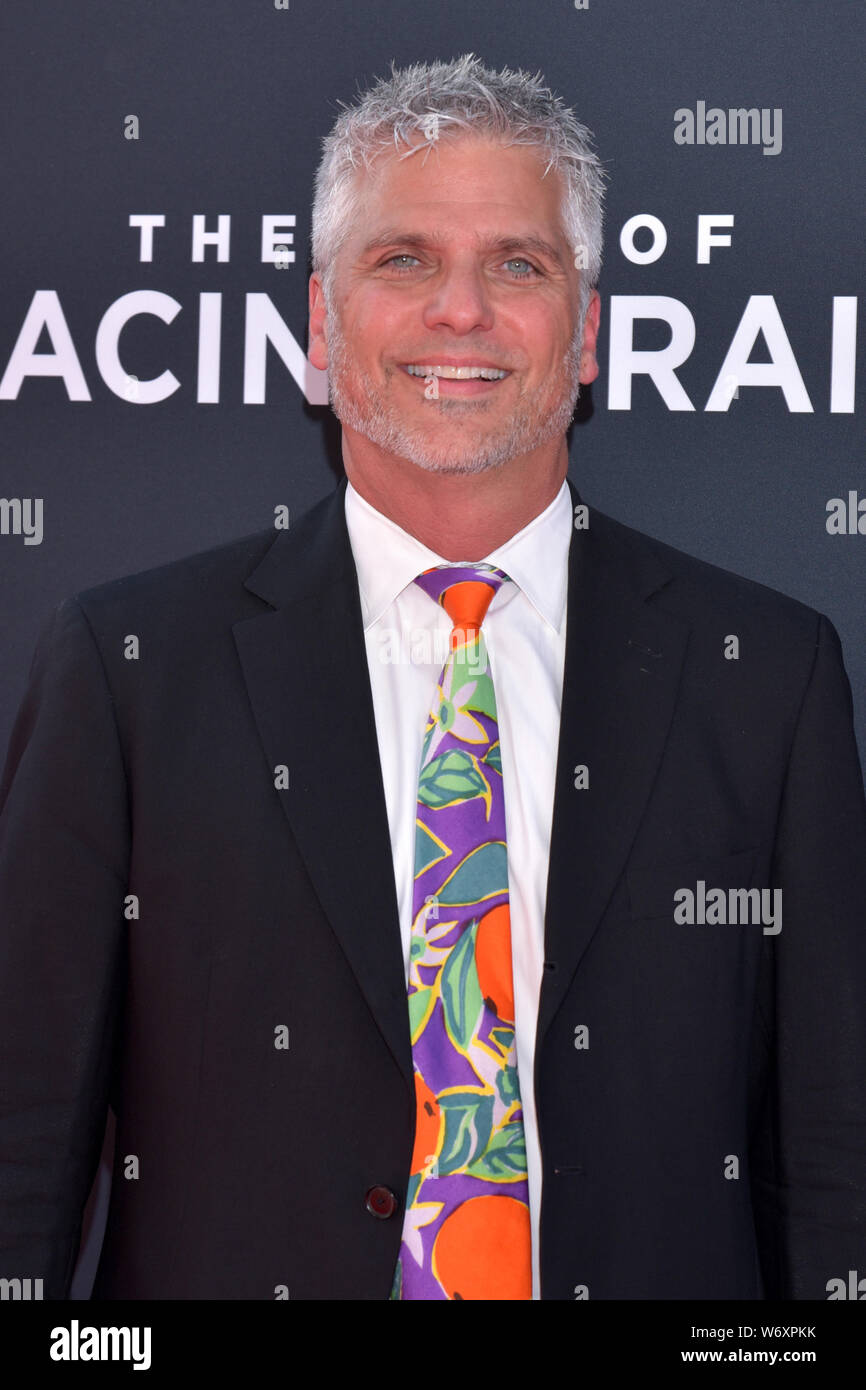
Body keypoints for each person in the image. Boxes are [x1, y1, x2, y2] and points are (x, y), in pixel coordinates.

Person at [1, 53, 865, 1302]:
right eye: (402, 259)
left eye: (517, 264)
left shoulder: (766, 677)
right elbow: (24, 1139)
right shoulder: (131, 671)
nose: (459, 312)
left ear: (586, 333)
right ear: (318, 321)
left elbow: (830, 1155)